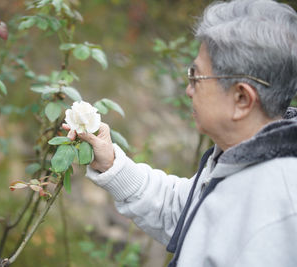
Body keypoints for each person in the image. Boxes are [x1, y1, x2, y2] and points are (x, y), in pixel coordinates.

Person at [64, 0, 297, 266]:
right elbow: (183, 211)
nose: (189, 89)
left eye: (196, 76)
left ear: (242, 99)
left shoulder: (278, 216)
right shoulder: (241, 160)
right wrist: (111, 163)